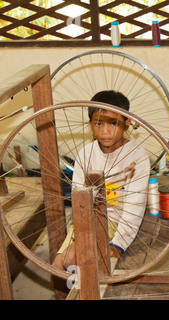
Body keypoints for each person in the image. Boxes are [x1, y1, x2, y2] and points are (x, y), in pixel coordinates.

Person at [52, 90, 150, 270]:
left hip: (119, 221)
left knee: (90, 267)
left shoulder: (137, 156)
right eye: (98, 123)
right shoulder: (85, 153)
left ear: (127, 123)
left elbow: (135, 206)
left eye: (114, 123)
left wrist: (119, 244)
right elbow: (78, 198)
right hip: (88, 218)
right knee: (60, 264)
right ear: (90, 124)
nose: (105, 131)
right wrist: (84, 230)